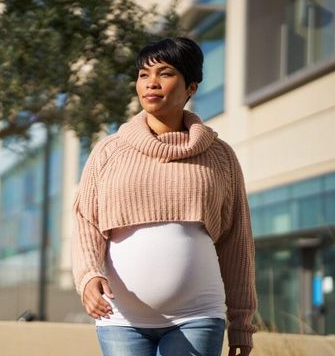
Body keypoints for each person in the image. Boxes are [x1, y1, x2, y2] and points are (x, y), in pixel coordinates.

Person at [71, 37, 257, 356]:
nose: (151, 83)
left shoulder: (220, 156)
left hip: (197, 315)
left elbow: (237, 240)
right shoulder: (108, 151)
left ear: (191, 87)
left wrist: (241, 323)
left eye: (165, 73)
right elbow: (85, 222)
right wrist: (88, 277)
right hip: (121, 318)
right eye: (144, 75)